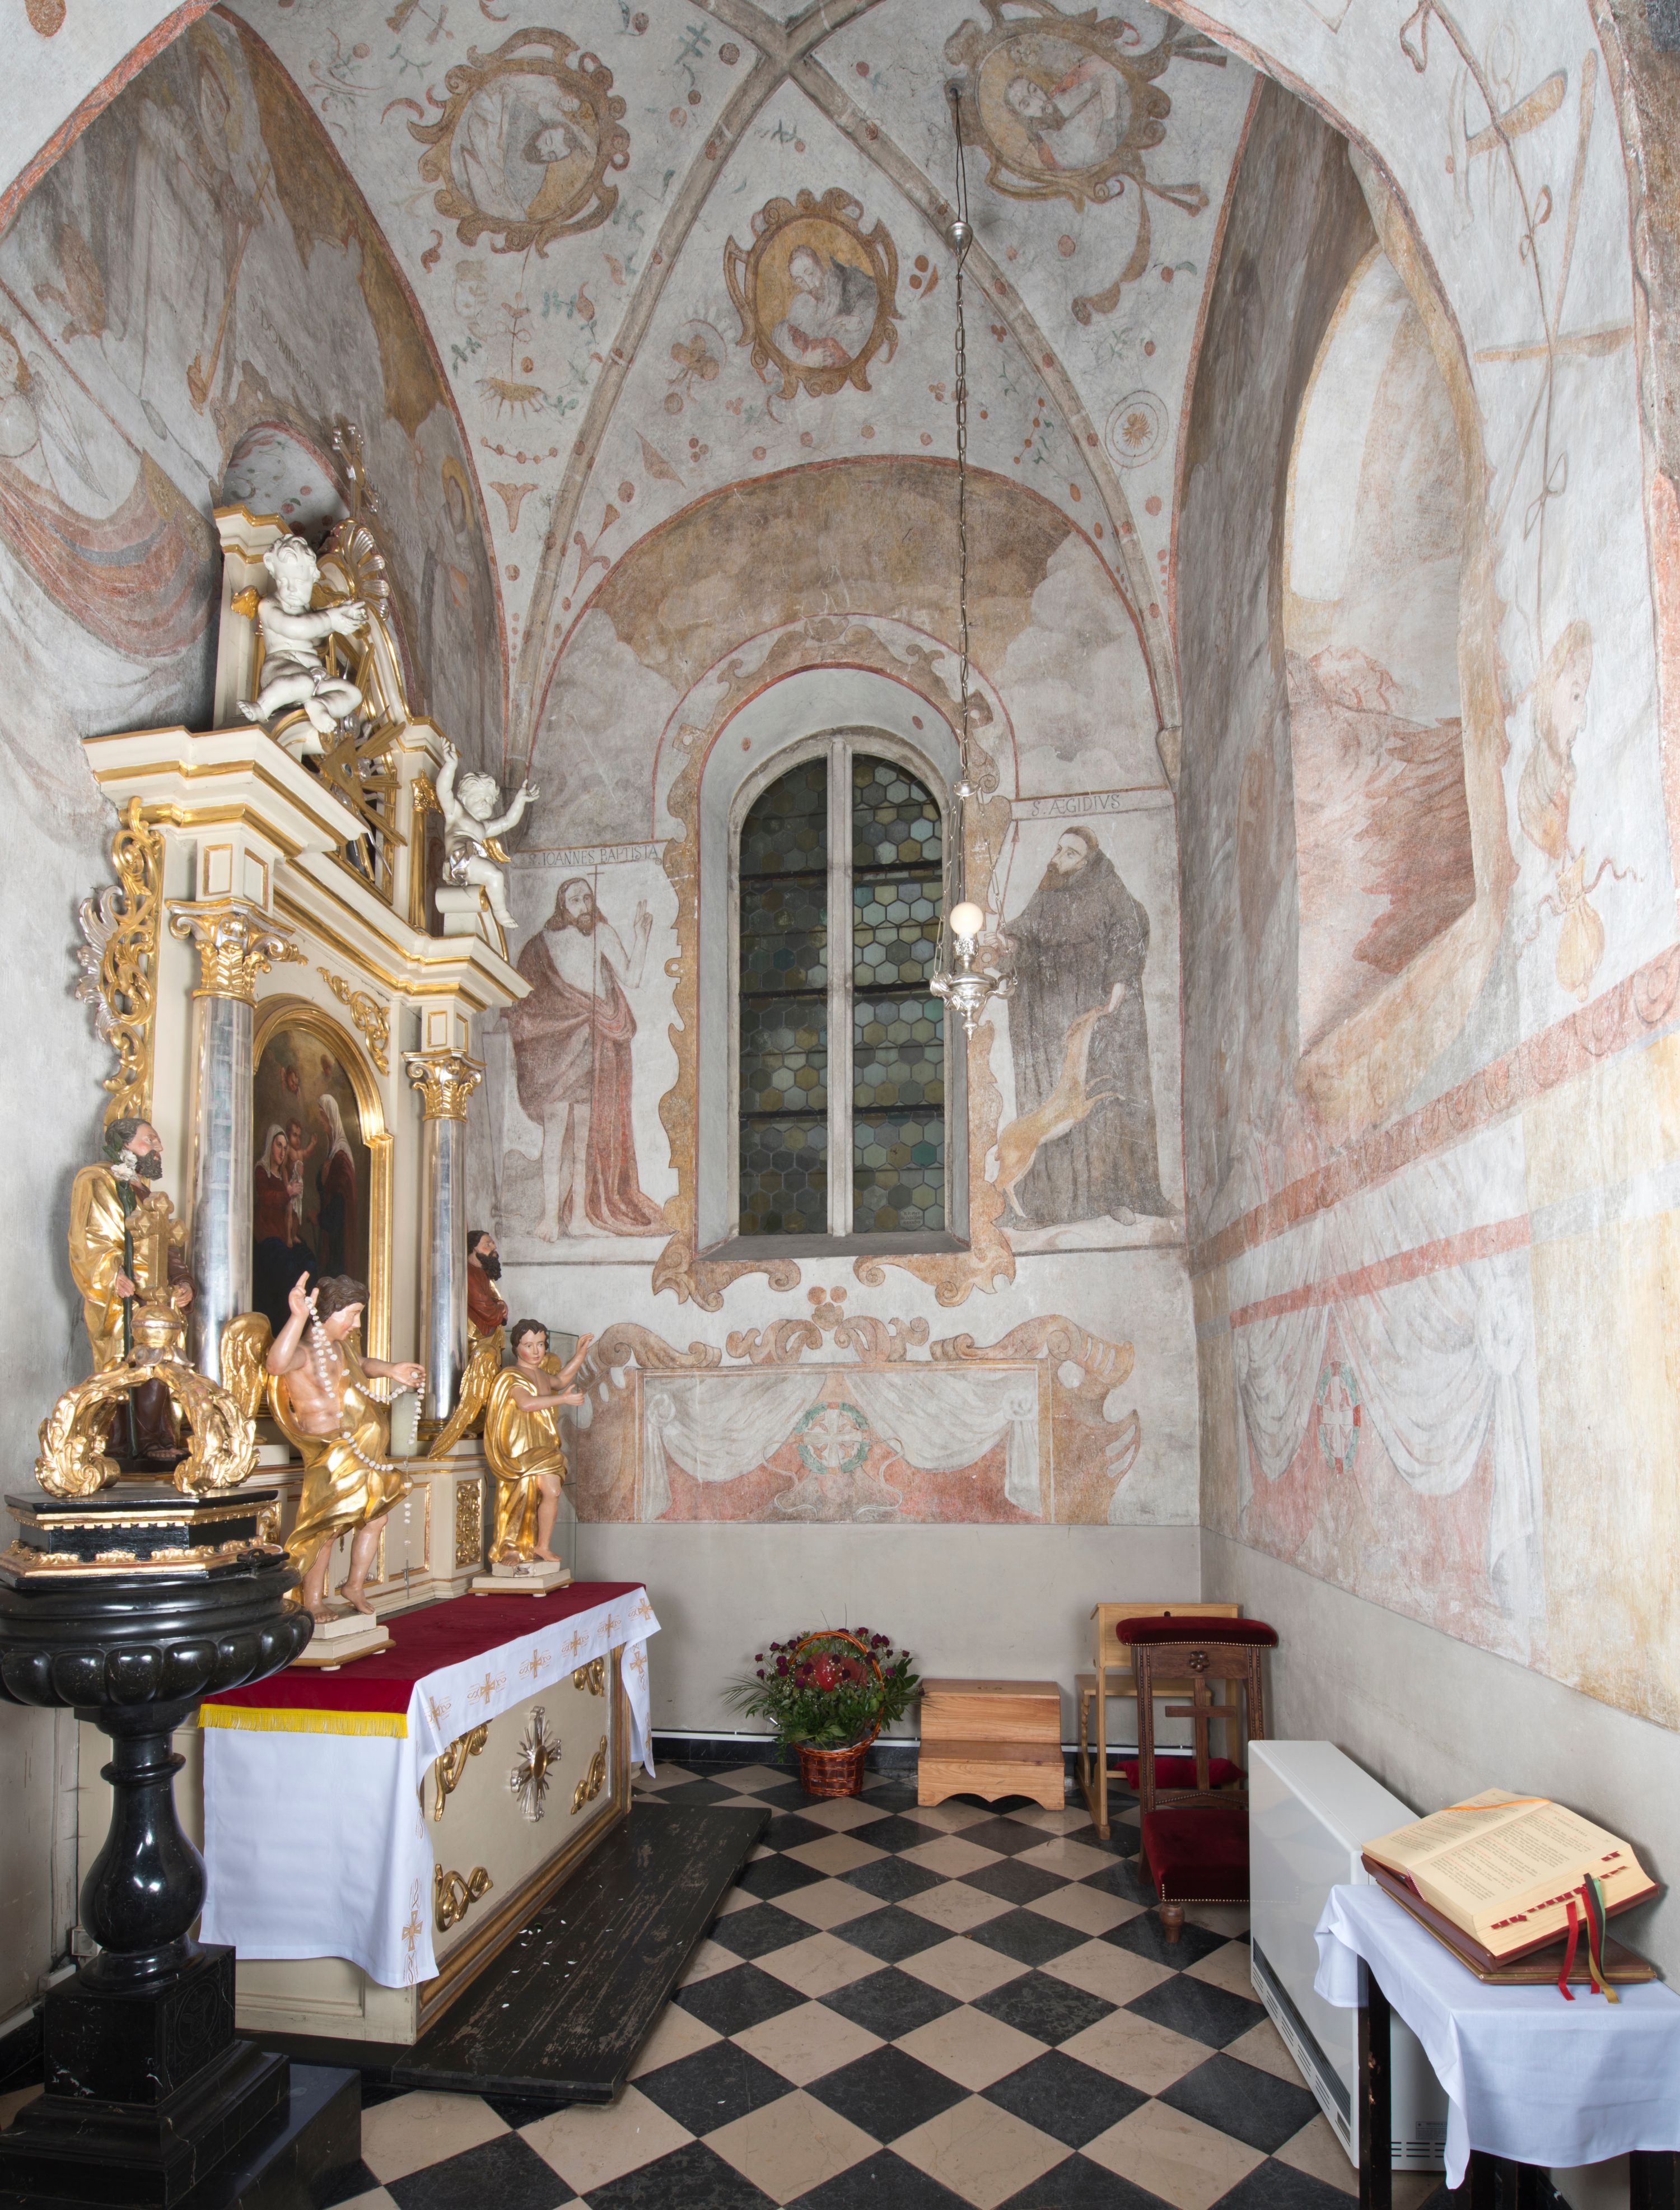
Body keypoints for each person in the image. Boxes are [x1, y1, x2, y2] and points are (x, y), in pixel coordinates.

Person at [1000, 826, 1167, 1226]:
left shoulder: (1109, 888)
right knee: (1052, 1099)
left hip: (1096, 1004)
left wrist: (1119, 983)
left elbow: (1129, 929)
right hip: (1051, 1007)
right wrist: (1008, 946)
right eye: (1059, 849)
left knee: (1104, 1095)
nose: (1058, 857)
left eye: (1070, 853)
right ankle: (1054, 1202)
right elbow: (1025, 933)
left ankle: (1114, 1196)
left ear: (1088, 861)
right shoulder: (1047, 894)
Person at [510, 876, 665, 1239]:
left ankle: (579, 1217)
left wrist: (641, 936)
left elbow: (632, 978)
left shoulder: (603, 933)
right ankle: (550, 1218)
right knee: (554, 1134)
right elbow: (523, 999)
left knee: (584, 1139)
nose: (584, 905)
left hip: (592, 1044)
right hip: (557, 1047)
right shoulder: (542, 943)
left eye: (588, 897)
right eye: (576, 900)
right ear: (563, 906)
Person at [267, 1272, 425, 1619]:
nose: (357, 1324)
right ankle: (312, 1600)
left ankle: (354, 1585)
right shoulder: (303, 1353)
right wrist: (297, 1316)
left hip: (359, 1451)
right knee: (324, 1530)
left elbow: (362, 1366)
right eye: (352, 1314)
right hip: (329, 1454)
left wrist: (392, 1370)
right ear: (328, 1311)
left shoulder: (341, 1348)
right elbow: (275, 1364)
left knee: (376, 1517)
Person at [68, 1115, 196, 1462]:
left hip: (159, 1299)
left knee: (163, 1367)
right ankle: (121, 1446)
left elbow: (167, 1246)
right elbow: (87, 1239)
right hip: (122, 1297)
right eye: (150, 1140)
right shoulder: (97, 1180)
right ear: (124, 1145)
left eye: (157, 1141)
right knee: (125, 1366)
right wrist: (112, 1274)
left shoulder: (149, 1196)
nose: (159, 1147)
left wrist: (183, 1282)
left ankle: (156, 1440)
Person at [237, 532, 368, 758]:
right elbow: (296, 628)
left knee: (353, 694)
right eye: (283, 581)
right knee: (303, 683)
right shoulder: (269, 606)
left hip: (315, 675)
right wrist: (330, 619)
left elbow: (315, 637)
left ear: (313, 578)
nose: (290, 589)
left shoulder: (307, 611)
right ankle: (262, 707)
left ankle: (319, 705)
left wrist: (341, 618)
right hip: (282, 667)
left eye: (299, 582)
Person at [483, 1320, 592, 1566]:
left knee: (553, 1491)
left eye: (541, 1345)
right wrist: (563, 1400)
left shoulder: (541, 1374)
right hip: (521, 1448)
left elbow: (561, 1380)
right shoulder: (510, 1376)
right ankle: (511, 1548)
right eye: (529, 1345)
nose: (536, 1351)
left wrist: (580, 1355)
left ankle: (542, 1546)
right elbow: (526, 1404)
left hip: (544, 1444)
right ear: (516, 1347)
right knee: (519, 1496)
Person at [772, 244, 878, 371]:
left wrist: (858, 317)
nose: (809, 285)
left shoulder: (845, 284)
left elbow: (871, 300)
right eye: (800, 280)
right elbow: (782, 339)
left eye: (810, 273)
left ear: (819, 264)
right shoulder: (801, 305)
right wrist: (805, 360)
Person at [314, 1093, 357, 1276]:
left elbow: (340, 1197)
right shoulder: (332, 1150)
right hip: (331, 1229)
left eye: (322, 1116)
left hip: (339, 1233)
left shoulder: (341, 1155)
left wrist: (320, 1219)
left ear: (331, 1118)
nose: (320, 1120)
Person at [466, 1228, 508, 1339]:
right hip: (476, 1337)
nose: (494, 1247)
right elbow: (484, 1307)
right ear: (475, 1248)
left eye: (493, 1244)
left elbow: (489, 1298)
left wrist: (498, 1303)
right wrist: (501, 1309)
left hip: (488, 1335)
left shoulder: (483, 1271)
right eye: (488, 1244)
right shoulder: (468, 1274)